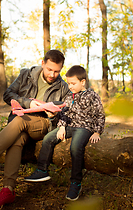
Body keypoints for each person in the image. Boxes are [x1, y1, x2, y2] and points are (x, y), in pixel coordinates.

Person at [0, 50, 70, 209]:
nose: (52, 74)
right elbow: (8, 94)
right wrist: (27, 103)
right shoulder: (26, 74)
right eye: (49, 69)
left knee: (20, 120)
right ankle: (8, 190)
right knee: (17, 139)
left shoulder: (64, 87)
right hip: (21, 122)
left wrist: (52, 115)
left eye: (57, 71)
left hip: (43, 125)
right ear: (42, 64)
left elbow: (66, 115)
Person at [24, 65, 105, 201]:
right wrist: (61, 127)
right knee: (48, 138)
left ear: (83, 82)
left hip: (85, 128)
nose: (70, 86)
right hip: (69, 126)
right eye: (68, 83)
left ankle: (75, 183)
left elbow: (100, 115)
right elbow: (63, 114)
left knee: (75, 147)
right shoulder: (69, 96)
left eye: (73, 83)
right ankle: (42, 170)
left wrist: (97, 132)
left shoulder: (92, 96)